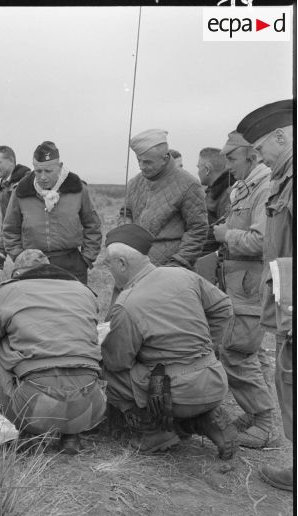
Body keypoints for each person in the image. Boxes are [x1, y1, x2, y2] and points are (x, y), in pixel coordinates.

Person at [101, 224, 237, 460]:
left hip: (172, 391)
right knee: (170, 385)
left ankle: (153, 432)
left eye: (108, 264)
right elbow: (224, 308)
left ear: (122, 263)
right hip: (214, 379)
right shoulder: (183, 274)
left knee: (108, 373)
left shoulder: (126, 304)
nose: (108, 270)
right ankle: (202, 421)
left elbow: (117, 363)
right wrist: (205, 347)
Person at [0, 249, 107, 454]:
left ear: (17, 274)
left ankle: (30, 431)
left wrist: (6, 349)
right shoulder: (83, 290)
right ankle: (71, 435)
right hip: (91, 407)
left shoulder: (8, 292)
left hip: (34, 407)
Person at [237, 99, 293, 490]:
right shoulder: (284, 178)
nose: (259, 157)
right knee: (287, 378)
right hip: (287, 298)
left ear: (280, 135)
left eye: (259, 150)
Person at [209, 131, 275, 448]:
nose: (228, 165)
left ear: (252, 155)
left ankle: (263, 423)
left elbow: (262, 241)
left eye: (232, 158)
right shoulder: (246, 185)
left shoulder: (265, 186)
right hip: (237, 279)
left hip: (248, 281)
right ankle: (257, 414)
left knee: (237, 351)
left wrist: (226, 236)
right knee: (250, 350)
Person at [2, 141, 102, 284]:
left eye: (48, 171)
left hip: (71, 264)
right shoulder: (21, 191)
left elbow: (92, 225)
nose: (42, 177)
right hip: (32, 264)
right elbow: (10, 229)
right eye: (38, 171)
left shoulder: (78, 189)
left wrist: (86, 259)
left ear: (59, 167)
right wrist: (19, 257)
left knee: (73, 305)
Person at [120, 129, 208, 269]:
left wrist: (178, 263)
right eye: (139, 160)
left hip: (170, 270)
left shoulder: (189, 184)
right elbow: (126, 212)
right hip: (135, 266)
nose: (142, 166)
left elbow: (198, 230)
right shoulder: (134, 183)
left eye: (148, 162)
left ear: (165, 158)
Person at [0, 146, 30, 272]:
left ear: (11, 161)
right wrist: (1, 252)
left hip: (32, 249)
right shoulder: (4, 187)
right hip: (18, 249)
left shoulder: (27, 182)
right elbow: (8, 223)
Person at [196, 147, 233, 256]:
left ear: (207, 169)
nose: (198, 171)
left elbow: (225, 233)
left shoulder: (227, 194)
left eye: (198, 167)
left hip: (213, 259)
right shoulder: (213, 192)